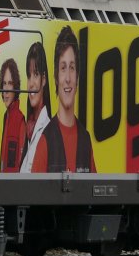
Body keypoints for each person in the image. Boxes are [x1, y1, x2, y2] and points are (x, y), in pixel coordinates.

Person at [29, 26, 96, 173]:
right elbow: (34, 195)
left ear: (77, 77)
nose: (67, 79)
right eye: (63, 68)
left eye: (72, 68)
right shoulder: (45, 141)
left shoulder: (86, 140)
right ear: (56, 78)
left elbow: (93, 194)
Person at [19, 41, 52, 173]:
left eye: (36, 75)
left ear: (44, 79)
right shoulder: (29, 128)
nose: (31, 83)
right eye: (29, 75)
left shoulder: (48, 129)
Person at [0, 58, 27, 172]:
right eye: (4, 83)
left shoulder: (19, 120)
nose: (5, 90)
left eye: (10, 84)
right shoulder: (7, 116)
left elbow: (16, 167)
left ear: (16, 87)